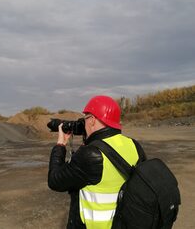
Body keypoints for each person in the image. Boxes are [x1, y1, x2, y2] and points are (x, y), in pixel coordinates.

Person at [48, 95, 146, 229]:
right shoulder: (134, 145)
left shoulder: (91, 154)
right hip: (124, 222)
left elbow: (55, 180)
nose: (84, 123)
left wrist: (60, 145)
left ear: (93, 120)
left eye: (86, 118)